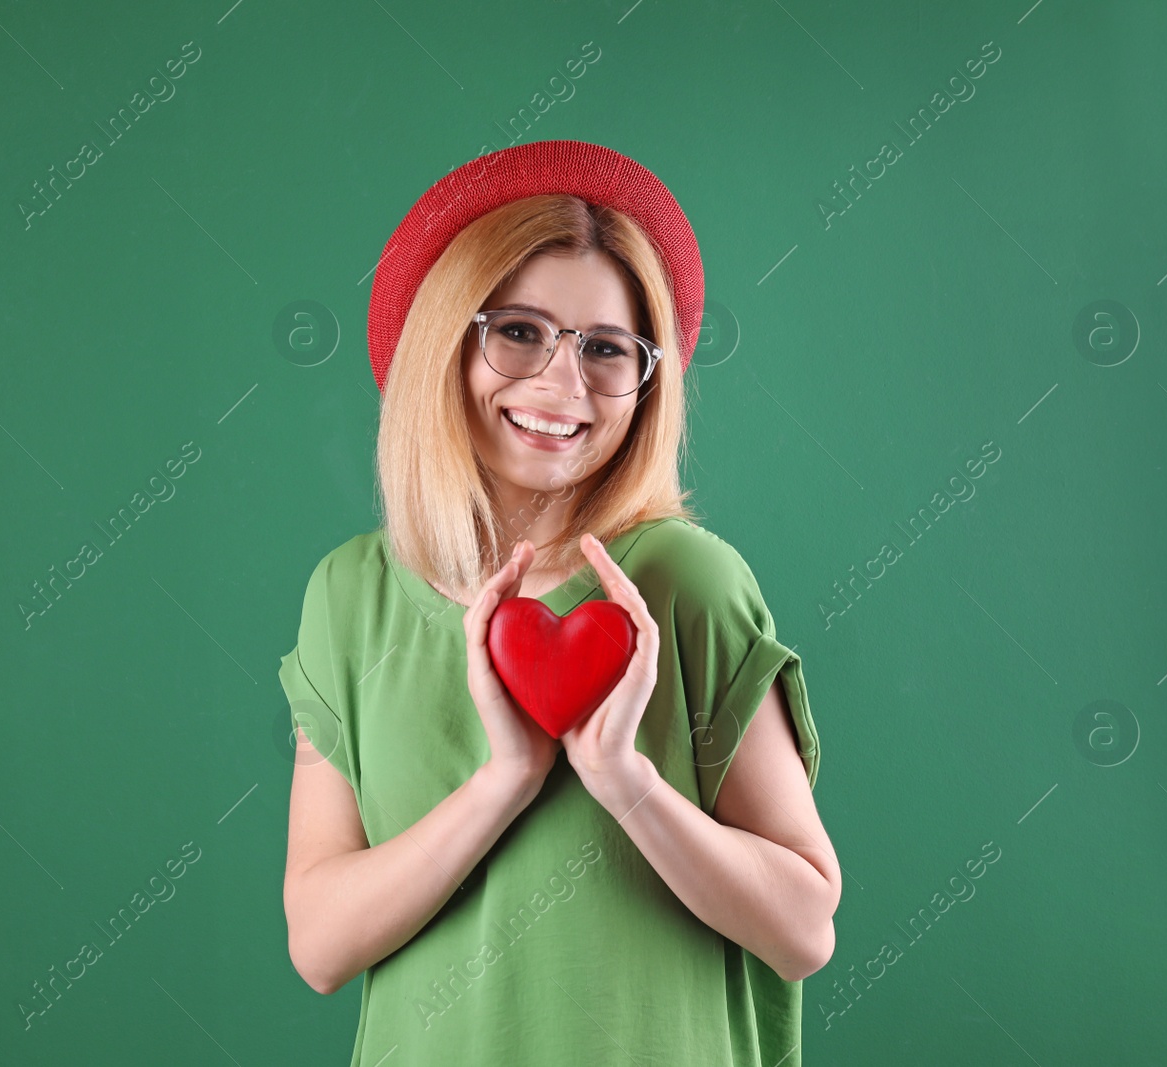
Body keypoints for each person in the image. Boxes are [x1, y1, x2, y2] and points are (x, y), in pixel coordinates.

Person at [280, 139, 839, 1066]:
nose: (563, 384)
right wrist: (505, 780)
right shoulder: (351, 596)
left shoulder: (685, 583)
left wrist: (628, 783)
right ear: (445, 340)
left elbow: (804, 927)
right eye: (519, 330)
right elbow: (320, 943)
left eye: (607, 349)